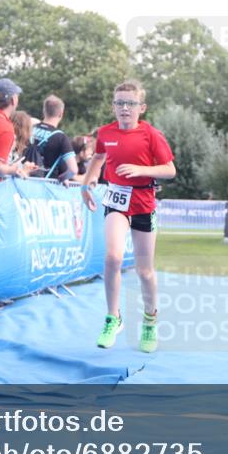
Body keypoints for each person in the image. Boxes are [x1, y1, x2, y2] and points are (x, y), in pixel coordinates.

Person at [81, 80, 175, 354]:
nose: (124, 108)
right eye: (120, 103)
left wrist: (141, 169)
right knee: (112, 257)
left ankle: (149, 321)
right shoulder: (105, 132)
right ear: (113, 106)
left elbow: (170, 170)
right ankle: (113, 318)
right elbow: (98, 158)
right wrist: (88, 184)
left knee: (145, 271)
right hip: (116, 200)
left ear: (141, 108)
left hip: (144, 202)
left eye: (130, 104)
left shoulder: (151, 135)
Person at [28, 94, 78, 180]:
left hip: (24, 181)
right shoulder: (61, 137)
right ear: (61, 114)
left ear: (44, 111)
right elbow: (73, 170)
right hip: (46, 185)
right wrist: (62, 178)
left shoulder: (30, 129)